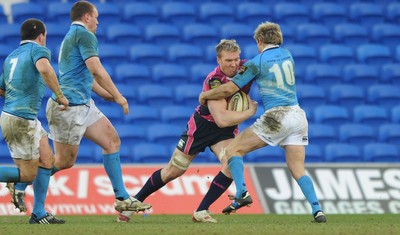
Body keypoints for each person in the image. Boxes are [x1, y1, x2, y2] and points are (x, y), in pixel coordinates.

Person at [9, 1, 151, 216]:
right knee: (63, 161)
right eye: (96, 17)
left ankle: (122, 198)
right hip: (70, 108)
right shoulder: (84, 35)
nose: (98, 21)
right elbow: (96, 70)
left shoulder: (71, 37)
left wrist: (106, 94)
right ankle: (22, 183)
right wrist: (119, 96)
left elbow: (81, 74)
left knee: (112, 140)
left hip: (83, 104)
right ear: (86, 17)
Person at [199, 21, 327, 223]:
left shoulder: (257, 62)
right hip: (298, 116)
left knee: (232, 150)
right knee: (297, 167)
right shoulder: (288, 55)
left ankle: (241, 193)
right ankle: (317, 210)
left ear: (259, 41)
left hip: (277, 116)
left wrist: (205, 95)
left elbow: (229, 89)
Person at [117, 39, 257, 223]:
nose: (233, 64)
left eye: (236, 59)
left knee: (231, 165)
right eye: (228, 60)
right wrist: (250, 111)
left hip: (224, 133)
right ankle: (134, 202)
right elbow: (221, 120)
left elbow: (264, 67)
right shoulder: (214, 80)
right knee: (173, 171)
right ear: (218, 60)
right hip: (202, 128)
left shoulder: (245, 68)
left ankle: (201, 211)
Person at [0, 18, 69, 224]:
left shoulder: (12, 56)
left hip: (22, 117)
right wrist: (59, 94)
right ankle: (17, 185)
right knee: (28, 175)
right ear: (41, 36)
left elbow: (2, 88)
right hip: (22, 119)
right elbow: (46, 70)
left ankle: (38, 213)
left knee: (47, 160)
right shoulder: (39, 50)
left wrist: (18, 96)